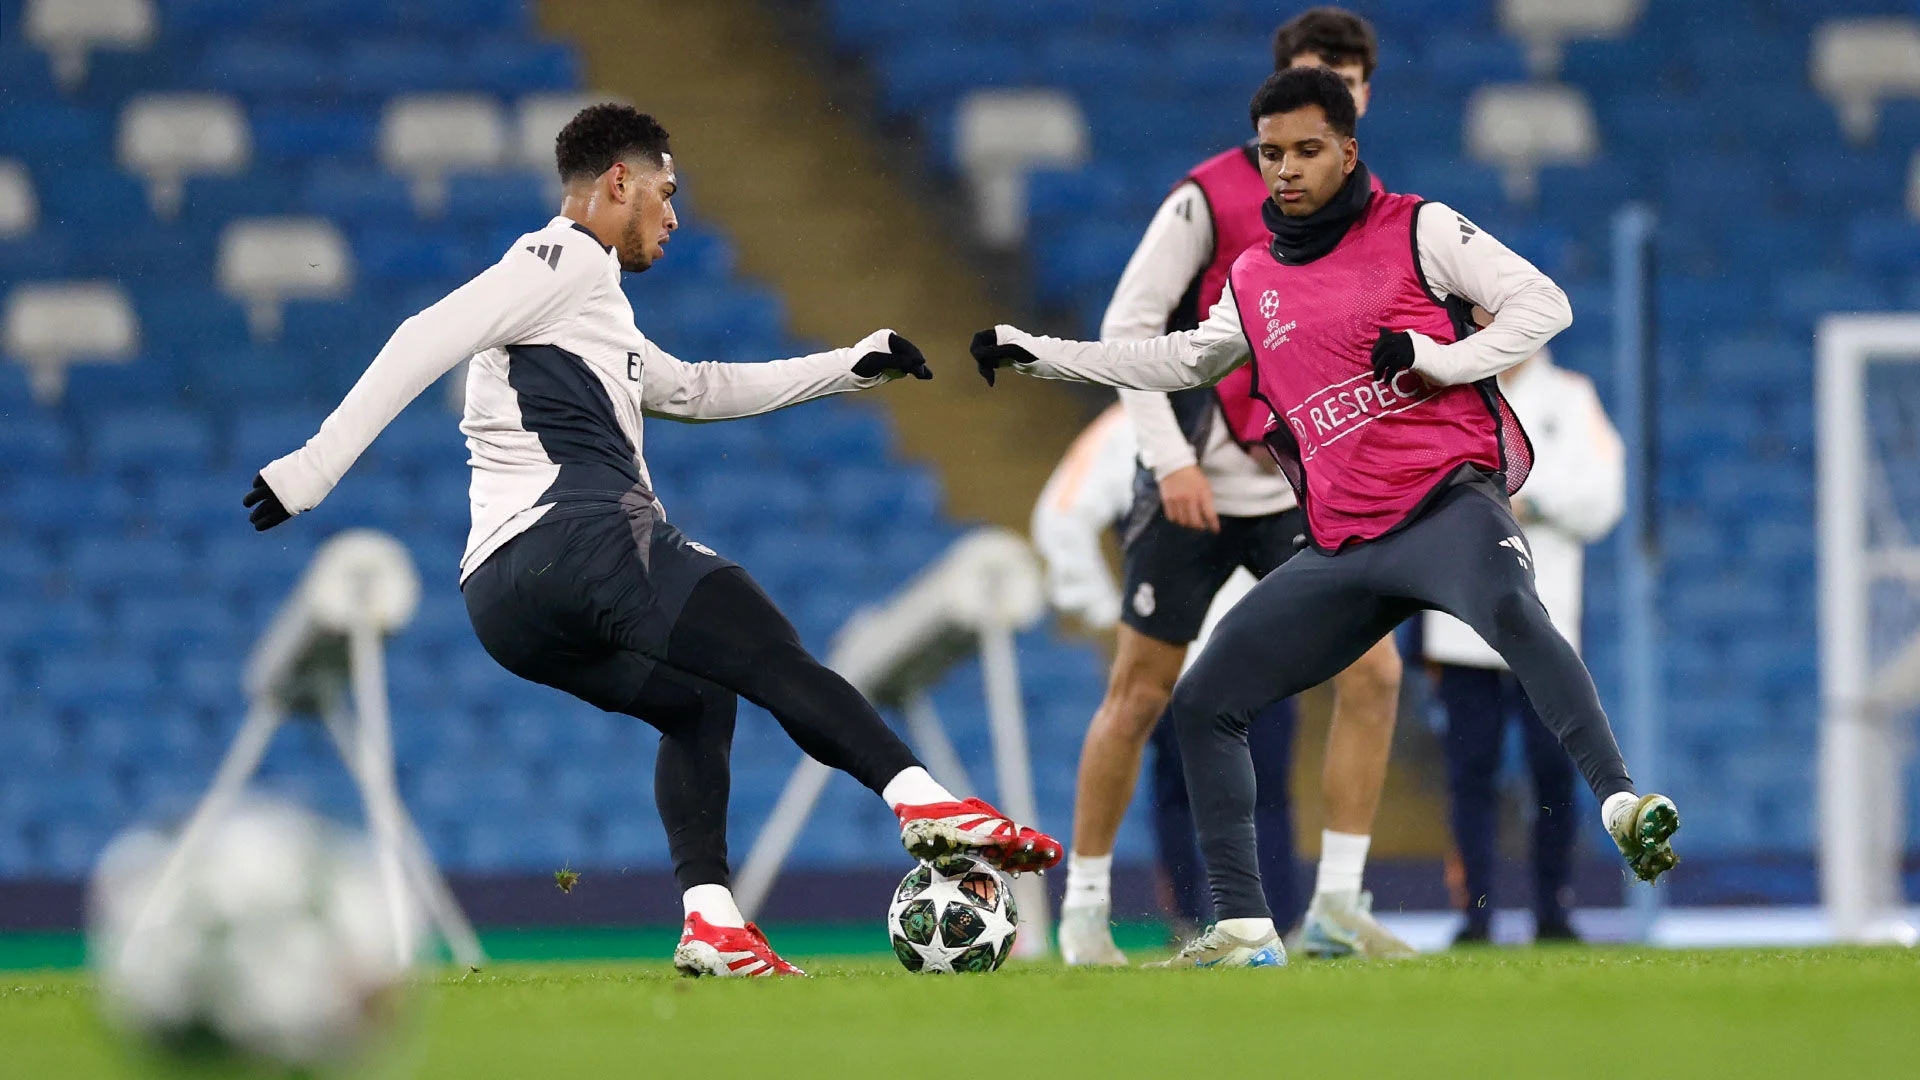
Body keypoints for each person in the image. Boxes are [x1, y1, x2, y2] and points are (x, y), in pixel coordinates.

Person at [240, 103, 1061, 979]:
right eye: (665, 194)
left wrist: (845, 367)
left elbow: (699, 388)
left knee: (699, 702)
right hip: (579, 535)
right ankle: (924, 804)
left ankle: (711, 921)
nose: (674, 216)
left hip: (505, 601)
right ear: (616, 184)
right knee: (764, 643)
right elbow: (425, 335)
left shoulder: (595, 310)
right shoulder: (557, 258)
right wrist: (313, 469)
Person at [971, 67, 1680, 969]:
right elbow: (1183, 359)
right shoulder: (1255, 273)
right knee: (1203, 702)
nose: (1287, 170)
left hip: (1446, 505)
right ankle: (1246, 930)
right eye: (1271, 153)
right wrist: (1041, 355)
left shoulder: (1419, 227)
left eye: (1308, 150)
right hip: (1348, 544)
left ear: (1348, 150)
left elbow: (1547, 304)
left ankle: (1620, 803)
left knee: (1513, 614)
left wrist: (1442, 358)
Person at [1051, 6, 1410, 967]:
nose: (1329, 87)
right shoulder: (1207, 197)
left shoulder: (1381, 217)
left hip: (1296, 492)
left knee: (1374, 673)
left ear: (1361, 104)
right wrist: (1168, 458)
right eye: (1310, 72)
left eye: (1346, 77)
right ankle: (1084, 914)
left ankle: (1336, 906)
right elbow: (1127, 327)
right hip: (1190, 483)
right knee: (1139, 694)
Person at [1031, 406, 1302, 946]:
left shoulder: (1280, 394)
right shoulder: (1134, 417)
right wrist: (1112, 612)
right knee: (1203, 792)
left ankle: (1272, 924)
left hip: (1261, 644)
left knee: (1259, 790)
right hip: (1184, 651)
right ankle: (1196, 920)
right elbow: (1061, 516)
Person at [1423, 347, 1625, 945]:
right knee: (1469, 772)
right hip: (1461, 622)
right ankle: (1476, 914)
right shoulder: (1448, 388)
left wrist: (1530, 499)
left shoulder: (1572, 396)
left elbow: (1602, 498)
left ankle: (1553, 909)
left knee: (1553, 771)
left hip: (1548, 619)